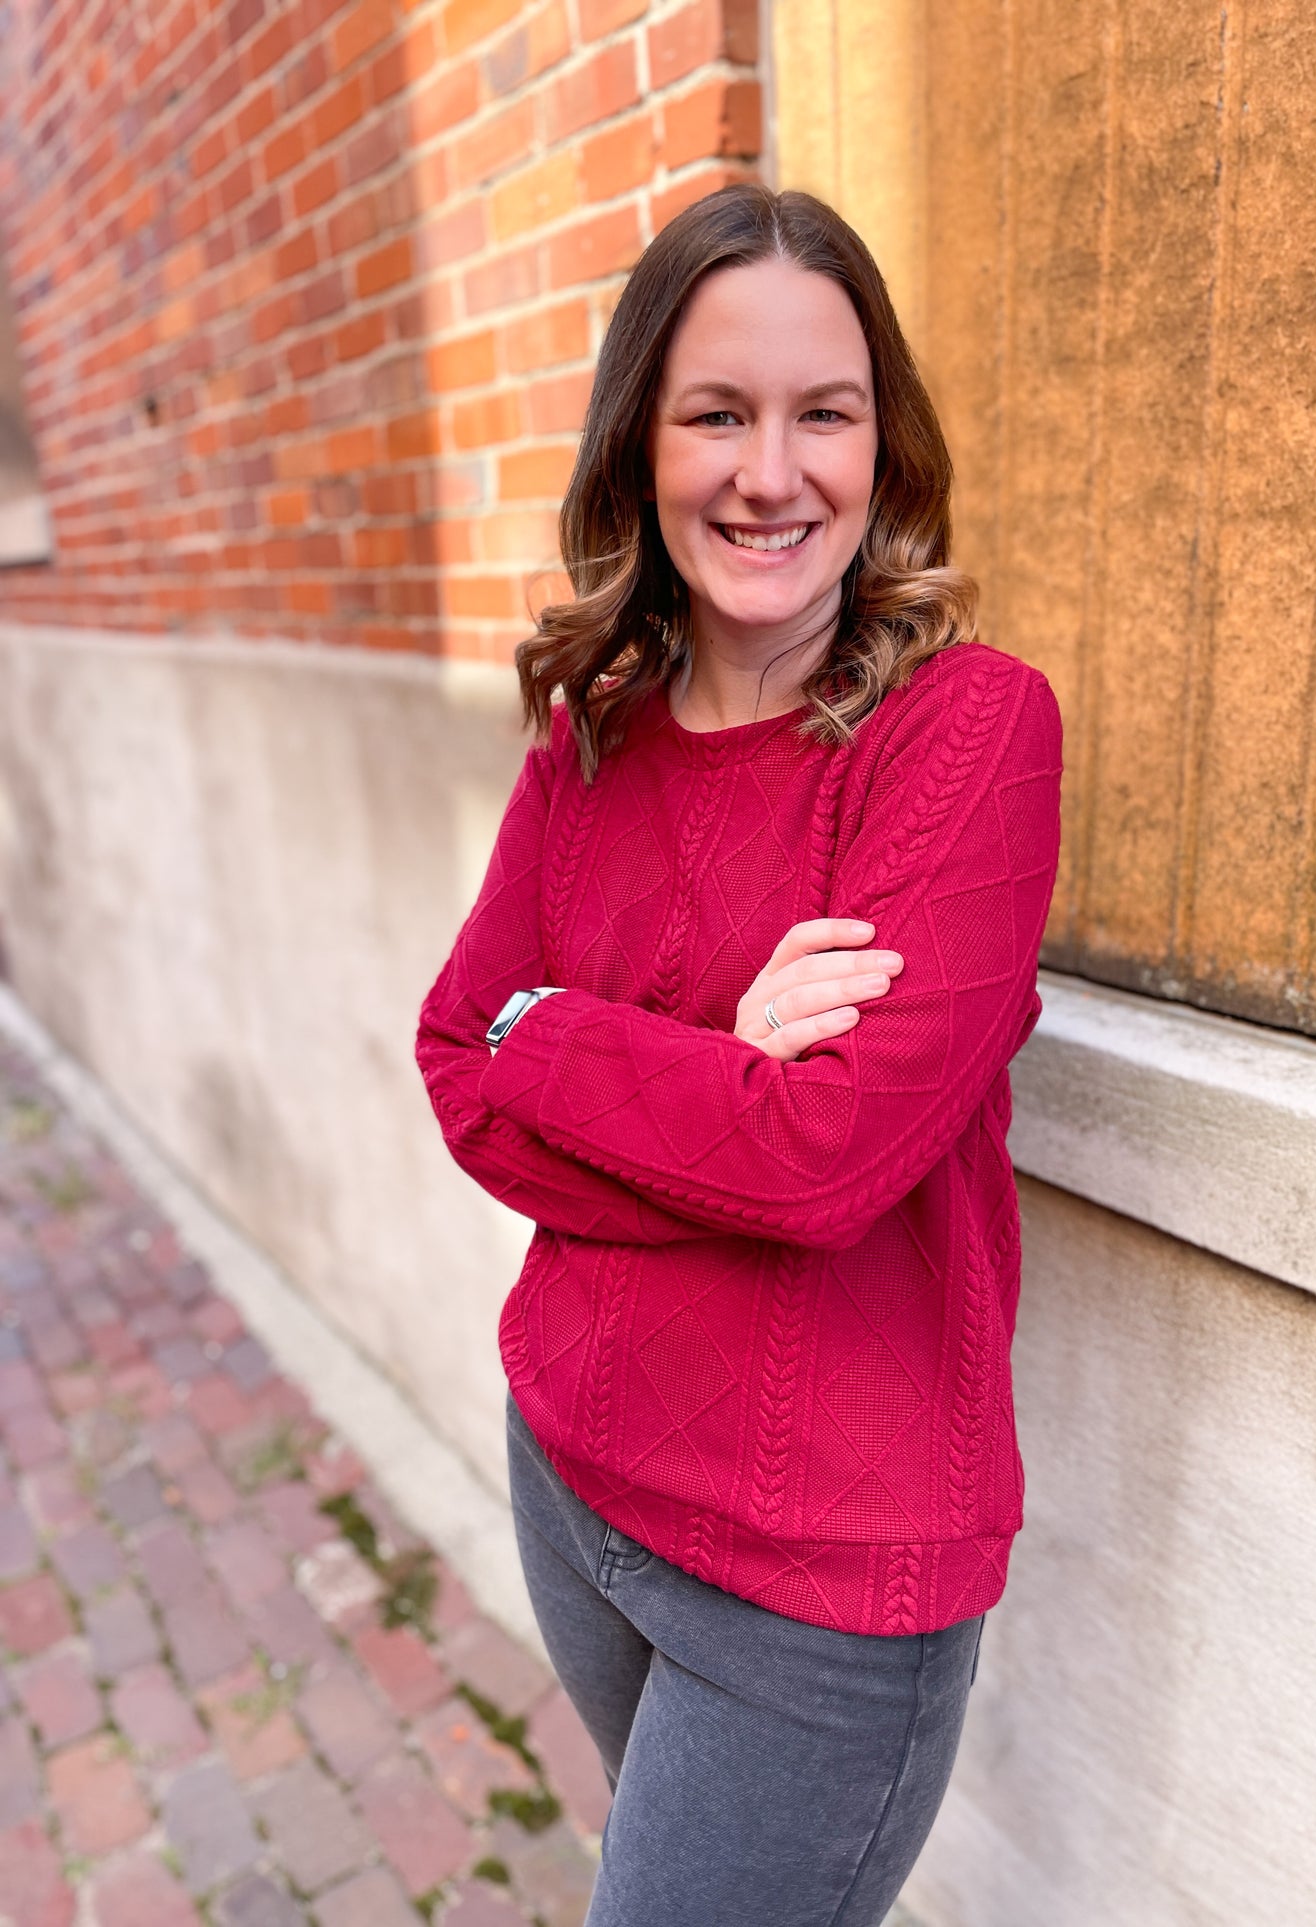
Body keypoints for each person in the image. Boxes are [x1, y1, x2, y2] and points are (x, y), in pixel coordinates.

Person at [415, 183, 1062, 1927]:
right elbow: (454, 1062)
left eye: (821, 414)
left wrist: (563, 1035)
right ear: (641, 444)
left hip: (813, 1588)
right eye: (717, 413)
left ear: (882, 443)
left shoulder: (967, 734)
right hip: (569, 1471)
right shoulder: (593, 733)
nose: (770, 474)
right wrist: (703, 1065)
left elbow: (827, 1163)